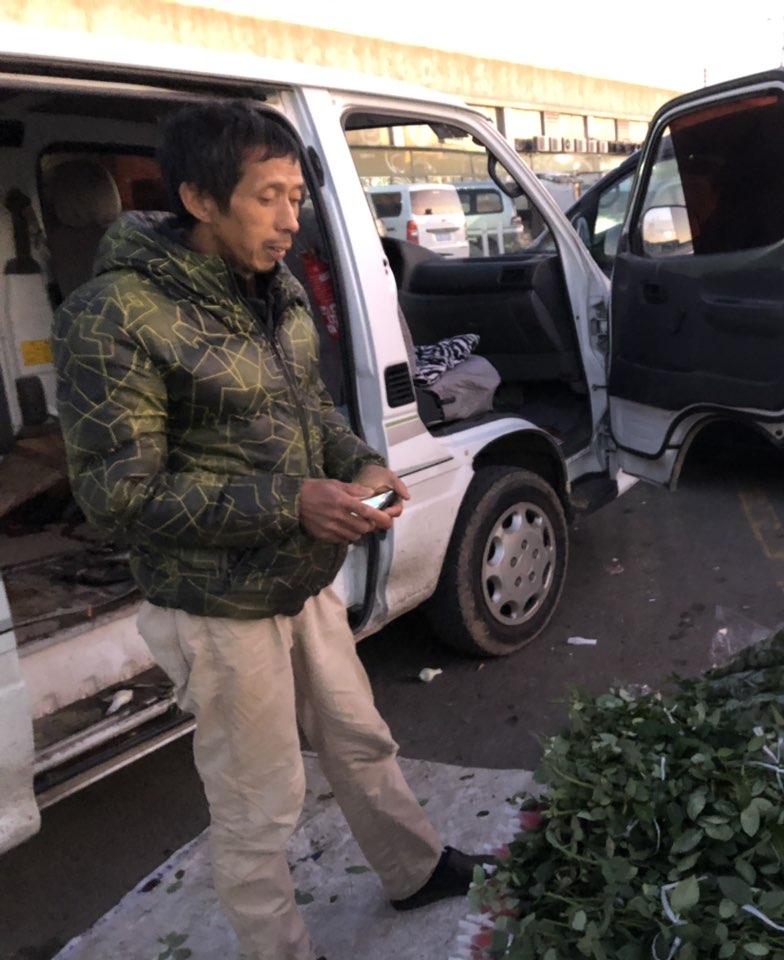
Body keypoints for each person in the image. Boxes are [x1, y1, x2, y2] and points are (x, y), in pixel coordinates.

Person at [52, 100, 488, 960]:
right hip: (217, 608)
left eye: (296, 196)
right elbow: (116, 494)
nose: (291, 221)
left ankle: (415, 869)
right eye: (267, 197)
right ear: (198, 199)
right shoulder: (115, 315)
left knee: (359, 739)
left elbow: (312, 411)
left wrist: (363, 464)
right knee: (259, 803)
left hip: (301, 579)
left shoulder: (274, 289)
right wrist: (291, 502)